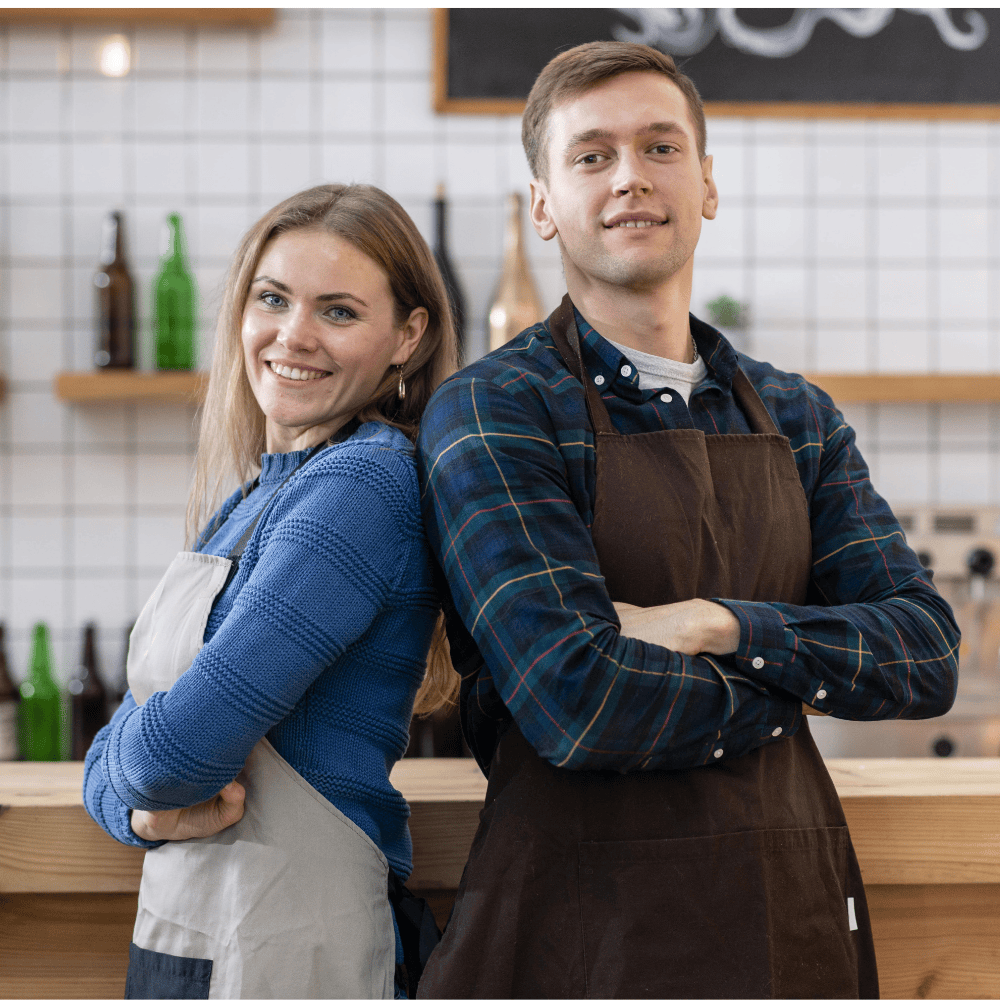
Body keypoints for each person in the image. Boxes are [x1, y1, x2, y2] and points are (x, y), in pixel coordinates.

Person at [415, 42, 959, 1000]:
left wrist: (723, 625)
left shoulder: (798, 418)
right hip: (577, 944)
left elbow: (923, 655)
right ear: (544, 205)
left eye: (660, 148)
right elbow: (577, 702)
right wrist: (799, 683)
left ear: (707, 185)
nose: (630, 177)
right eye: (591, 156)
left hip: (787, 929)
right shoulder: (494, 411)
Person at [83, 183, 459, 1000]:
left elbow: (168, 753)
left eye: (338, 312)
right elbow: (139, 757)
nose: (293, 336)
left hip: (295, 948)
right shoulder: (256, 496)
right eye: (273, 298)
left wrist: (132, 783)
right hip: (199, 932)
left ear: (408, 336)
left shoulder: (363, 483)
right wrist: (138, 811)